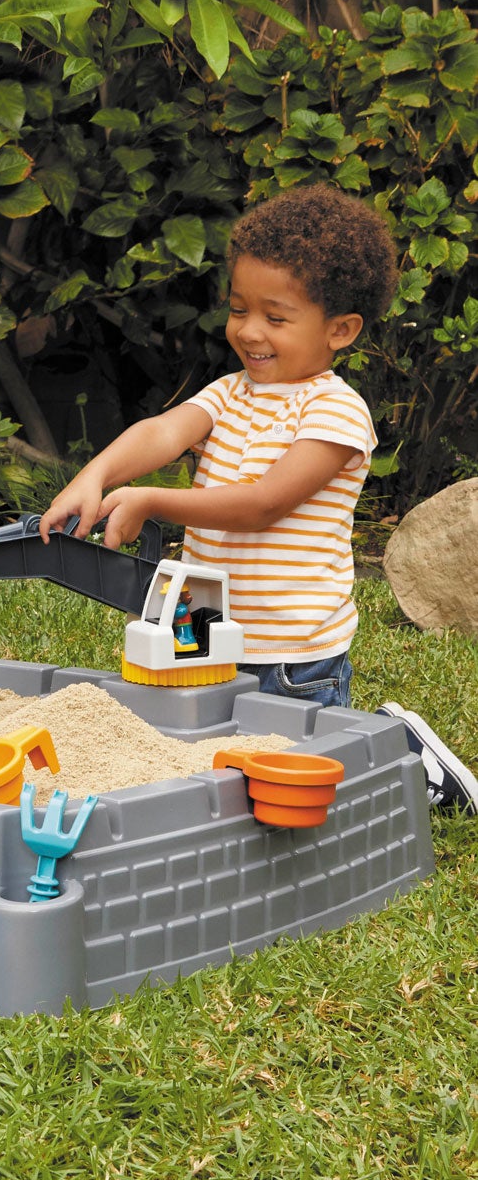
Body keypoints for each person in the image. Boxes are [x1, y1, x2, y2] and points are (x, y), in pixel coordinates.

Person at [39, 183, 475, 812]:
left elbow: (263, 503)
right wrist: (96, 475)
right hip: (202, 627)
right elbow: (162, 432)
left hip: (293, 652)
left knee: (297, 794)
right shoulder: (228, 393)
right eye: (239, 309)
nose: (248, 331)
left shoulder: (336, 412)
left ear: (340, 329)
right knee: (212, 778)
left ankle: (400, 748)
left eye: (275, 317)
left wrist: (153, 501)